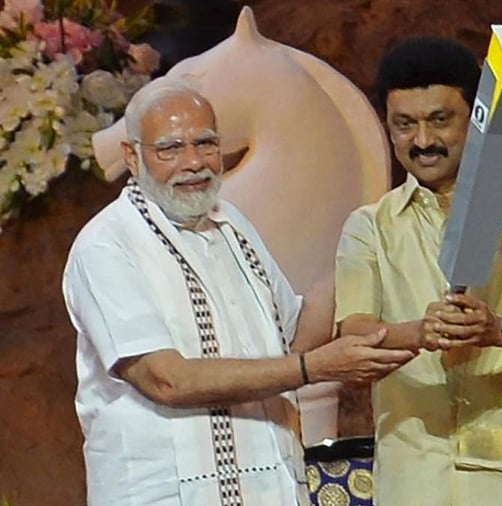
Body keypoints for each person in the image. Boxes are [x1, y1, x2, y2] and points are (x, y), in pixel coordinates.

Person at [62, 79, 415, 506]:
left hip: (269, 487)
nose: (193, 162)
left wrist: (364, 251)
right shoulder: (108, 243)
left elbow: (293, 337)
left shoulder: (232, 225)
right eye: (170, 148)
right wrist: (311, 369)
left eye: (206, 143)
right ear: (132, 158)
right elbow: (165, 378)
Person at [333, 37, 502, 505]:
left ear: (475, 119)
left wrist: (496, 329)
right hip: (416, 480)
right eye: (404, 124)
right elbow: (356, 334)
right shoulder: (369, 227)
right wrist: (421, 332)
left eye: (439, 121)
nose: (423, 141)